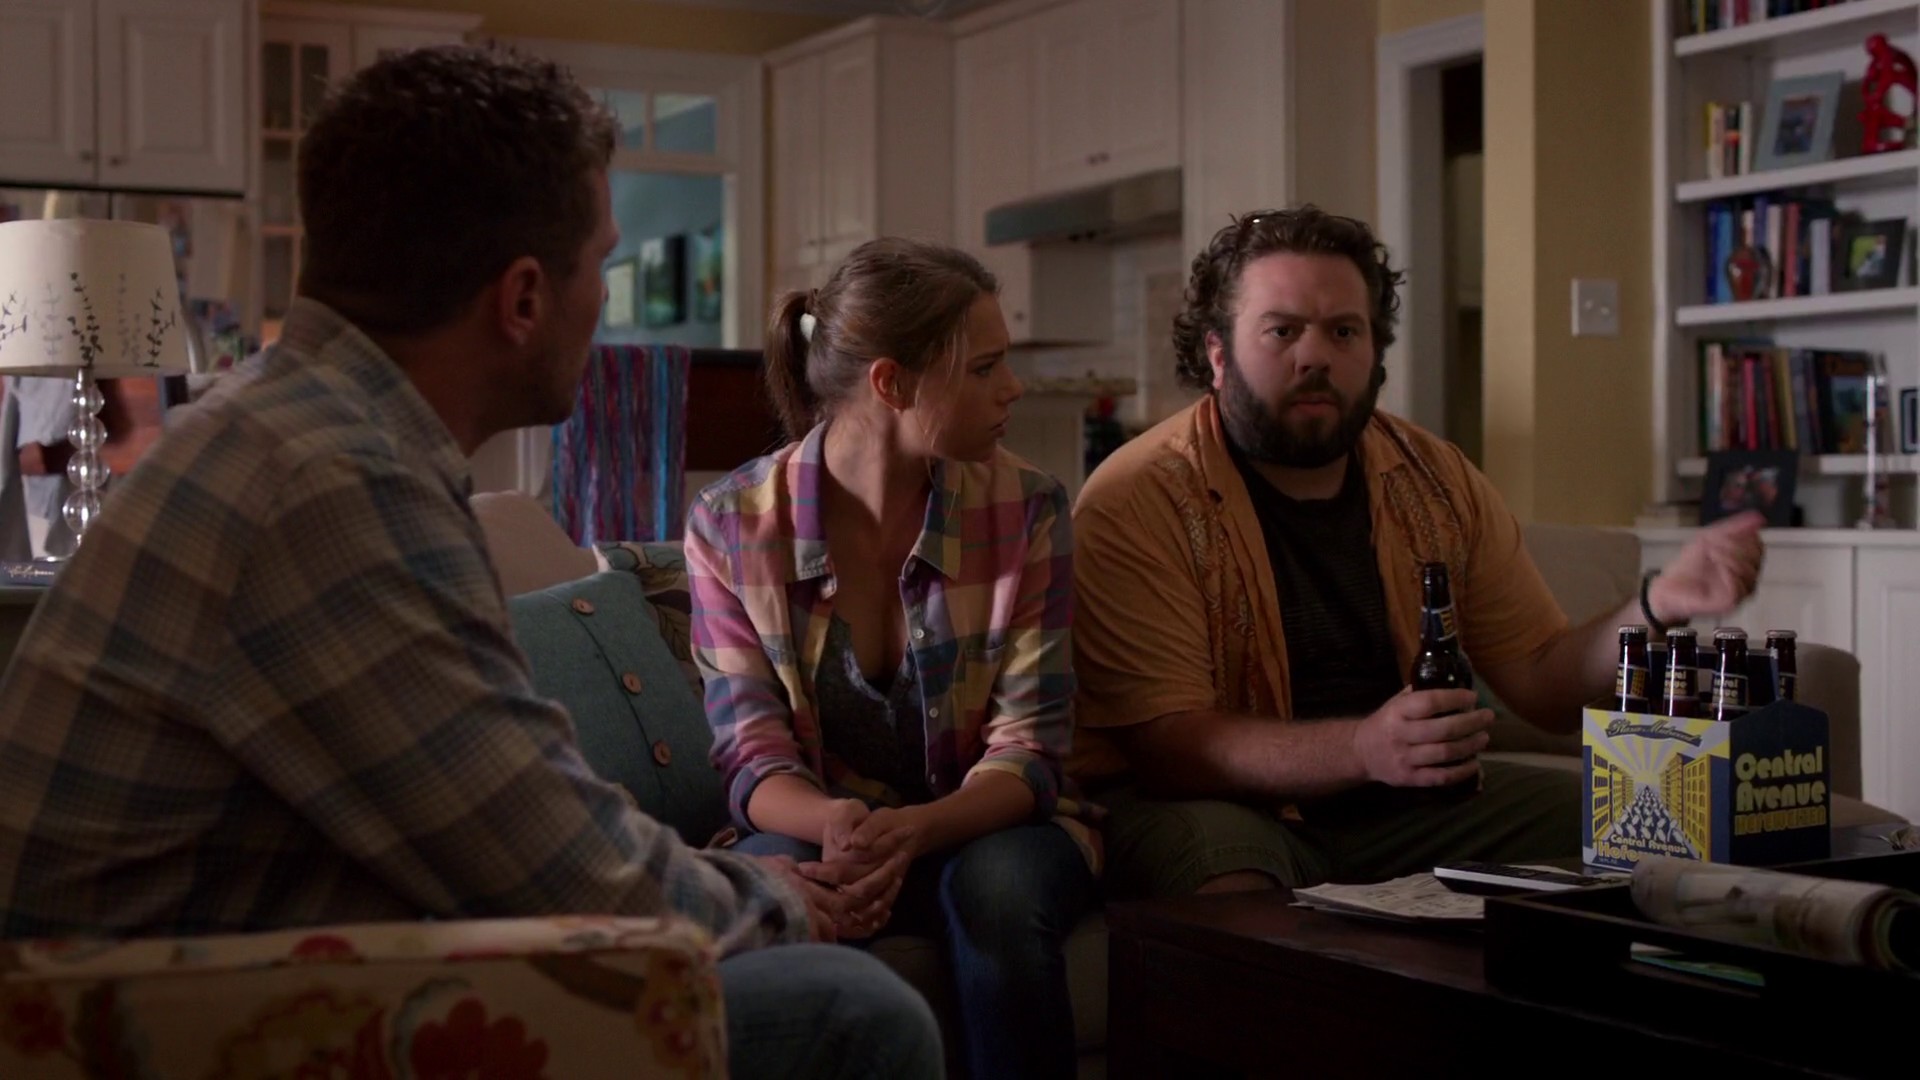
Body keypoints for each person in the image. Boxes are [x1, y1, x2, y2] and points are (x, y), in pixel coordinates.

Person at [0, 45, 939, 1080]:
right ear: (524, 297)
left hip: (210, 972)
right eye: (600, 263)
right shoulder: (329, 486)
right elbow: (561, 877)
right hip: (145, 1023)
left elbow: (501, 807)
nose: (604, 297)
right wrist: (782, 898)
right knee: (851, 1011)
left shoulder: (284, 428)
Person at [1069, 206, 1764, 899]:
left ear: (1375, 351)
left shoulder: (1435, 478)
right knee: (1226, 871)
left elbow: (1540, 680)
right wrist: (1362, 748)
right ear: (1218, 355)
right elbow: (1170, 746)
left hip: (1402, 803)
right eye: (1282, 331)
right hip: (1214, 805)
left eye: (1344, 331)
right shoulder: (1141, 496)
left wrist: (1656, 604)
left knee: (1657, 825)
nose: (1315, 356)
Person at [685, 237, 1101, 1080]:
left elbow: (1029, 749)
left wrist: (914, 832)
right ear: (891, 384)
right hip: (822, 828)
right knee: (768, 889)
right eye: (984, 368)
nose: (1013, 388)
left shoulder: (1028, 507)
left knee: (997, 891)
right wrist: (837, 825)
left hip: (984, 825)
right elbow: (751, 753)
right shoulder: (731, 524)